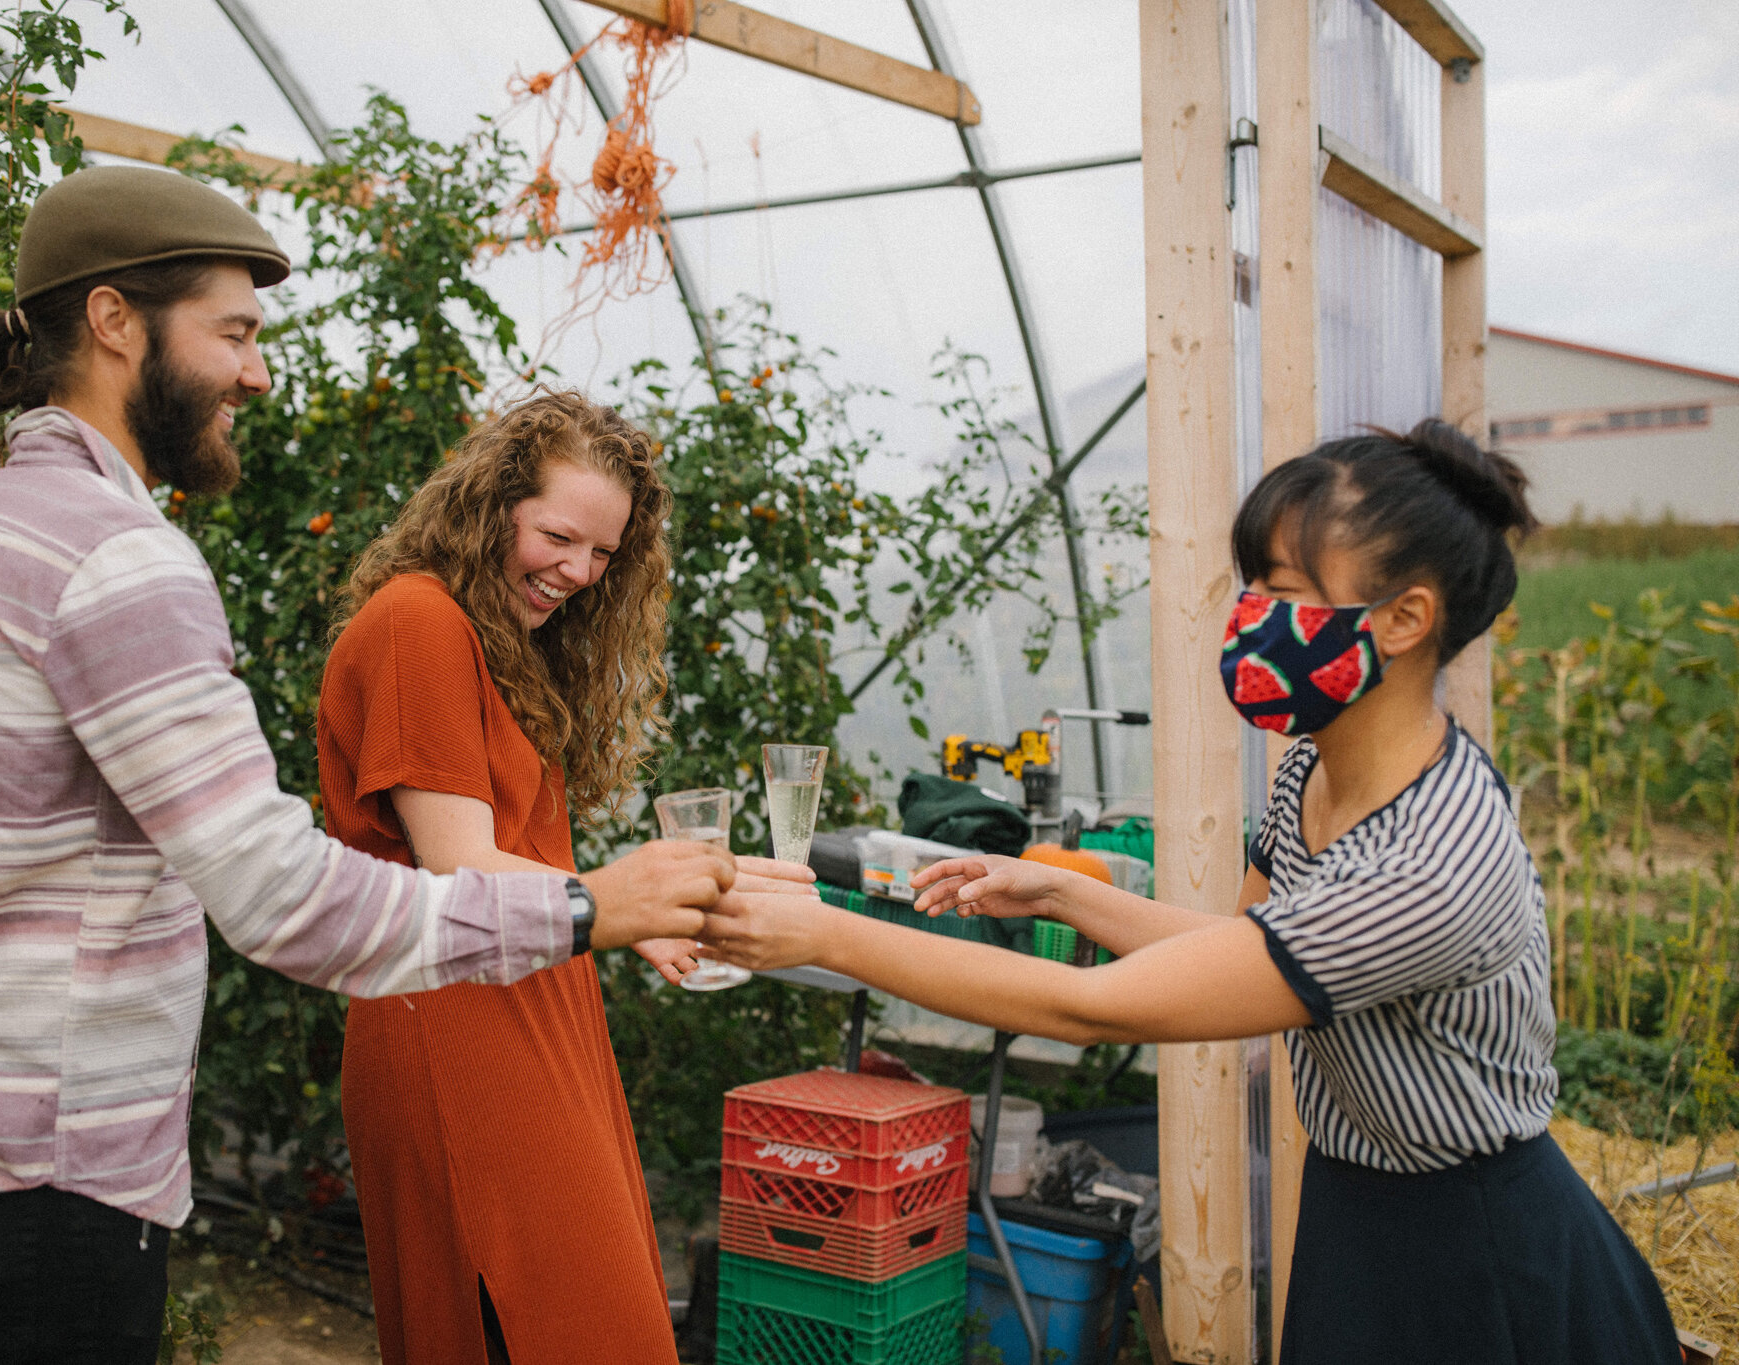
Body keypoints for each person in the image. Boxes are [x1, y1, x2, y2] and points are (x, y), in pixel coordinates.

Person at [0, 166, 735, 1365]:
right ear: (115, 321)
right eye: (235, 332)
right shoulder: (116, 559)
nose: (257, 372)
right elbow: (278, 896)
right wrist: (589, 906)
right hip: (43, 1175)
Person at [699, 422, 1680, 1364]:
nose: (1248, 614)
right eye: (1251, 582)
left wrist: (821, 933)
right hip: (1357, 1203)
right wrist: (1058, 892)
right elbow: (1244, 949)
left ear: (1404, 619)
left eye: (1281, 589)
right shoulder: (1311, 767)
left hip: (1470, 1245)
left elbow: (1084, 1011)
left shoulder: (1423, 865)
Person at [318, 390, 816, 1365]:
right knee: (544, 1324)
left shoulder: (481, 639)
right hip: (456, 1033)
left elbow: (508, 861)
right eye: (556, 535)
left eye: (602, 554)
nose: (577, 573)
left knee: (581, 1320)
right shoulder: (417, 623)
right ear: (490, 502)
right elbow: (457, 867)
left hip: (524, 1015)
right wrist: (616, 902)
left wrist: (635, 917)